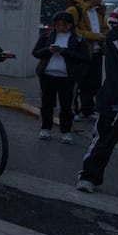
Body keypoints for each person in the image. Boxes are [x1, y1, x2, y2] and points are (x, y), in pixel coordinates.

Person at [76, 3, 118, 193]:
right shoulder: (117, 38)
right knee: (103, 141)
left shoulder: (115, 36)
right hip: (117, 100)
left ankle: (89, 177)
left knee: (103, 141)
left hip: (116, 99)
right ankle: (88, 177)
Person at [31, 11, 89, 144]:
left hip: (67, 77)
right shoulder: (46, 36)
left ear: (70, 25)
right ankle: (45, 128)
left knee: (67, 105)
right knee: (47, 104)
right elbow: (36, 52)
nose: (61, 28)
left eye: (64, 25)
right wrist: (48, 50)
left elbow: (84, 57)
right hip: (47, 75)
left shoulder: (78, 39)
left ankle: (66, 131)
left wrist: (65, 52)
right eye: (58, 25)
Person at [66, 0, 108, 121]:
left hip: (96, 53)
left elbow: (105, 28)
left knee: (93, 83)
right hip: (80, 54)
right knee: (77, 84)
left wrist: (106, 35)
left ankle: (87, 110)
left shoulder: (99, 12)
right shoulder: (74, 10)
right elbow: (72, 30)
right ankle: (73, 111)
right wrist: (95, 36)